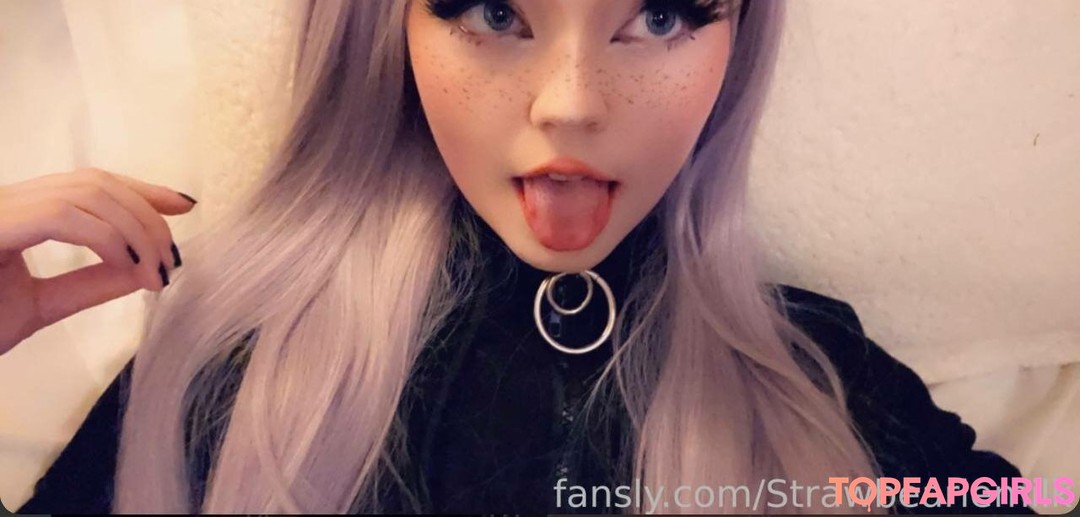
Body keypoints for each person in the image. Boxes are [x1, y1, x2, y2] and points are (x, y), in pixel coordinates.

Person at [1, 0, 1034, 514]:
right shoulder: (236, 369)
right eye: (494, 11)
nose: (570, 102)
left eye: (662, 14)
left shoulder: (821, 384)